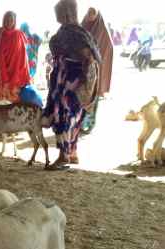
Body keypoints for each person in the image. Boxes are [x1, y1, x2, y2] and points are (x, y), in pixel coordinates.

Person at [43, 0, 101, 170]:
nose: (56, 15)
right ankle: (72, 151)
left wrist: (77, 78)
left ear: (67, 13)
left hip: (70, 82)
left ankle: (64, 156)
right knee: (75, 115)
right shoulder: (81, 32)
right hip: (72, 81)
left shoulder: (72, 34)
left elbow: (88, 57)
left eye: (58, 12)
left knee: (63, 115)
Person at [0, 11, 30, 102]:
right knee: (1, 100)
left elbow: (22, 56)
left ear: (14, 21)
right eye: (6, 20)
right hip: (1, 70)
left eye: (11, 20)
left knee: (13, 99)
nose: (8, 22)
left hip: (15, 72)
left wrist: (18, 72)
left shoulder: (18, 35)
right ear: (3, 21)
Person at [82, 8, 113, 96]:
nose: (89, 17)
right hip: (86, 54)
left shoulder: (102, 28)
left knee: (99, 71)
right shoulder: (84, 23)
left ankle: (100, 90)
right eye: (89, 14)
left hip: (100, 54)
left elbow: (105, 43)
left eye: (92, 15)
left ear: (96, 15)